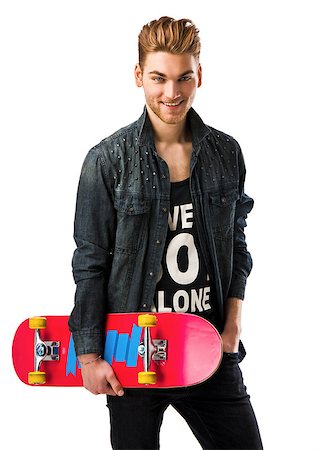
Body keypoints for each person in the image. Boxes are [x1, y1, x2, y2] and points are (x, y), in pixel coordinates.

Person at [69, 16, 263, 450]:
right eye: (158, 78)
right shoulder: (107, 161)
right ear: (139, 76)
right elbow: (90, 260)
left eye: (183, 78)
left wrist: (231, 328)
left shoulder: (225, 153)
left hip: (209, 349)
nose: (172, 93)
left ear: (199, 77)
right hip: (133, 354)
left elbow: (237, 243)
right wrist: (88, 355)